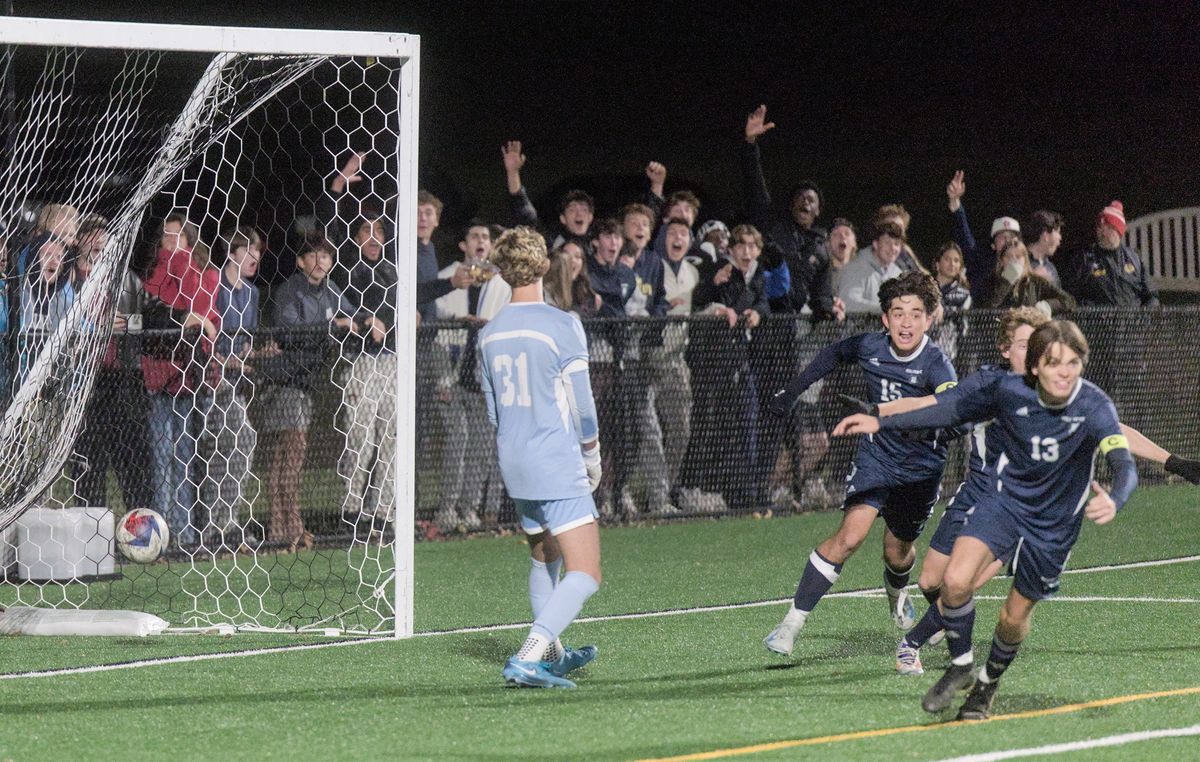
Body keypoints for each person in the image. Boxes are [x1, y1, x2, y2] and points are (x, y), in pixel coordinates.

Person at [845, 307, 1200, 677]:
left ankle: (913, 645)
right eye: (1024, 344)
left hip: (1020, 502)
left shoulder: (1064, 391)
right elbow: (934, 406)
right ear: (1006, 350)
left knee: (968, 580)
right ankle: (950, 625)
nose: (1035, 352)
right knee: (933, 580)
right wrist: (879, 413)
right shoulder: (992, 386)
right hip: (977, 491)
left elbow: (1115, 430)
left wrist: (1171, 461)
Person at [762, 271, 955, 657]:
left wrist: (931, 425)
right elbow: (834, 353)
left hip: (920, 470)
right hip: (877, 458)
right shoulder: (870, 346)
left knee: (897, 552)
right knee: (850, 536)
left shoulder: (937, 366)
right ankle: (789, 625)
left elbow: (952, 412)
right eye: (898, 313)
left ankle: (897, 594)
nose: (906, 322)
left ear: (929, 320)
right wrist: (794, 390)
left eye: (916, 313)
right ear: (885, 319)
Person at [479, 225, 602, 689]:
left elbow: (494, 412)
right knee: (586, 571)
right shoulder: (562, 323)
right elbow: (583, 408)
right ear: (546, 266)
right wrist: (591, 455)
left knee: (544, 560)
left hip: (515, 460)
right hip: (554, 459)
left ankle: (551, 654)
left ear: (502, 271)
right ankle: (530, 654)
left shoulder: (489, 333)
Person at [262, 235, 357, 550]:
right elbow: (290, 333)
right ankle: (290, 526)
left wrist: (364, 321)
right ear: (301, 261)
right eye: (314, 256)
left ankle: (281, 528)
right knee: (292, 452)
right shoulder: (290, 291)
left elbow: (351, 319)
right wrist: (332, 328)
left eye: (326, 257)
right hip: (285, 382)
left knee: (285, 457)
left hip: (307, 384)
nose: (320, 262)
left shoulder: (331, 291)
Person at [677, 224, 769, 514]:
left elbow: (764, 303)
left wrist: (758, 313)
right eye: (741, 245)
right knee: (706, 424)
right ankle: (692, 488)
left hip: (740, 361)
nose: (747, 251)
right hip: (711, 362)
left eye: (752, 246)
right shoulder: (720, 269)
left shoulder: (757, 277)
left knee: (745, 424)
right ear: (731, 249)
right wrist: (713, 286)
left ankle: (742, 493)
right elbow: (699, 299)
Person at [141, 212, 219, 547]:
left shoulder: (206, 275)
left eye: (178, 238)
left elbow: (198, 305)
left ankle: (184, 531)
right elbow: (152, 310)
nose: (171, 245)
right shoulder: (154, 275)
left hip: (188, 377)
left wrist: (182, 265)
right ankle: (162, 532)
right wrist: (167, 266)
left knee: (185, 454)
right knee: (161, 457)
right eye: (166, 238)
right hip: (158, 375)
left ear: (190, 241)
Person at [431, 220, 511, 531]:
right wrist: (442, 379)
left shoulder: (502, 285)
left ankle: (470, 510)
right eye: (474, 235)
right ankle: (447, 508)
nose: (480, 241)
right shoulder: (447, 278)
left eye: (485, 237)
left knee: (480, 447)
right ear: (464, 245)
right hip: (452, 377)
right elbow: (437, 331)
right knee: (457, 441)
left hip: (483, 380)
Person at [740, 104, 840, 321]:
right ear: (790, 204)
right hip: (762, 316)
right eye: (800, 197)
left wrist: (826, 310)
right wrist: (750, 145)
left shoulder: (820, 246)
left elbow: (821, 294)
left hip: (791, 323)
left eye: (811, 200)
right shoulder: (773, 226)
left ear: (818, 211)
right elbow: (755, 187)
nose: (805, 202)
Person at [197, 226, 263, 549]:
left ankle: (226, 522)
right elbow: (207, 331)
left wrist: (256, 354)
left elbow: (247, 340)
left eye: (258, 251)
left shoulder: (252, 293)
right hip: (209, 382)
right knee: (219, 451)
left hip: (234, 384)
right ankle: (215, 525)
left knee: (235, 447)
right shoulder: (213, 284)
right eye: (249, 250)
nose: (255, 257)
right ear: (232, 252)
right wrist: (226, 360)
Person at [502, 140, 594, 252]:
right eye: (572, 210)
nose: (579, 213)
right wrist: (513, 173)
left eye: (584, 209)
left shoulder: (600, 247)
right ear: (563, 219)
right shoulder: (551, 243)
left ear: (590, 217)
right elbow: (526, 216)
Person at [945, 170, 1022, 302]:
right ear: (993, 245)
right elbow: (964, 236)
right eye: (1003, 237)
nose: (1008, 241)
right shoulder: (982, 263)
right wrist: (955, 201)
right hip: (985, 321)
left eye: (1012, 237)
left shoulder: (1028, 267)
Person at [1066, 200, 1159, 307]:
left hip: (1132, 320)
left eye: (1109, 228)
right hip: (1097, 321)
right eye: (1100, 227)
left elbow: (1151, 296)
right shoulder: (1084, 259)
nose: (1103, 232)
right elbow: (1071, 295)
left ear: (1118, 231)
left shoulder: (1133, 259)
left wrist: (1144, 317)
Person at [985, 239, 1076, 315]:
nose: (1013, 261)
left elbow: (1069, 300)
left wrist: (1048, 305)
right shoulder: (992, 281)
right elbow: (986, 309)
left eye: (1018, 256)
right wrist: (1006, 282)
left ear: (1025, 259)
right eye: (1008, 257)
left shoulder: (1036, 282)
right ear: (1001, 261)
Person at [837, 220, 906, 314]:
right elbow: (847, 303)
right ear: (875, 244)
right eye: (887, 243)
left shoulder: (898, 274)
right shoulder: (856, 268)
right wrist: (884, 310)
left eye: (896, 244)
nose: (893, 248)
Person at [1023, 210, 1064, 287]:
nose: (1060, 238)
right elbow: (1001, 293)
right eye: (1058, 232)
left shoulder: (1051, 268)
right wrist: (1031, 279)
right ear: (1046, 236)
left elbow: (1060, 298)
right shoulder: (1015, 260)